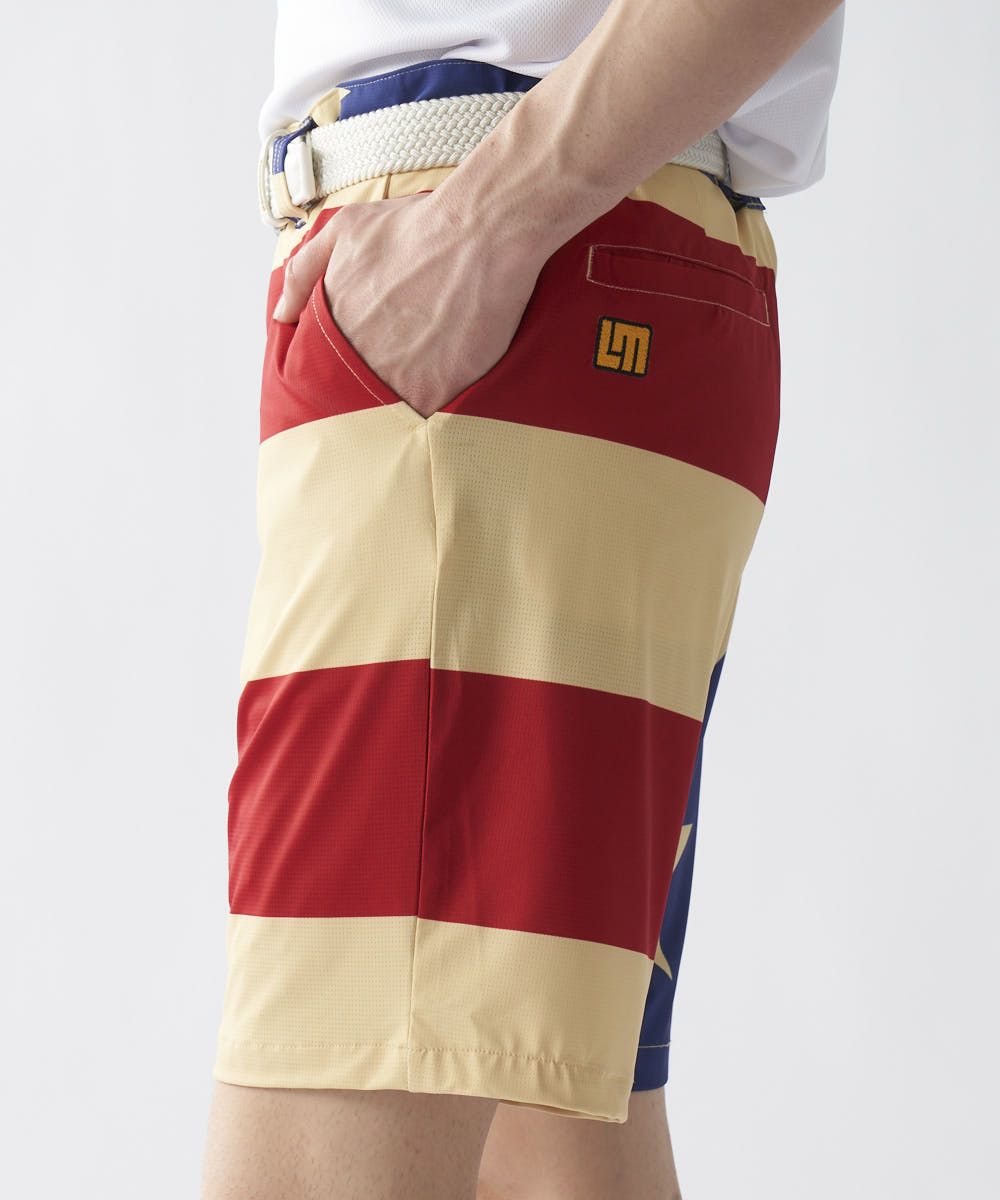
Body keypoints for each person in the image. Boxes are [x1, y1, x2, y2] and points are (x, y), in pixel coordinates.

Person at [201, 2, 846, 1197]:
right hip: (544, 285)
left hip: (497, 302)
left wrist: (491, 217)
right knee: (550, 1138)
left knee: (331, 1116)